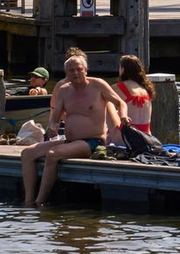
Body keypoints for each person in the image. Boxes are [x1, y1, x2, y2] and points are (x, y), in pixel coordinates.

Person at [20, 51, 128, 207]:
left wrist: (123, 115)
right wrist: (53, 127)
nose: (76, 73)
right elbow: (55, 118)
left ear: (86, 70)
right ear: (66, 73)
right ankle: (28, 200)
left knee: (52, 154)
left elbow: (120, 103)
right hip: (70, 140)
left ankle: (39, 202)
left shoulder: (98, 85)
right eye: (71, 70)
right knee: (27, 153)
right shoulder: (64, 90)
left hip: (93, 141)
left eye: (79, 69)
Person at [113, 54, 155, 135]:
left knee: (107, 106)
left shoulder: (118, 87)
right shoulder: (146, 88)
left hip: (128, 136)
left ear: (123, 69)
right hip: (147, 135)